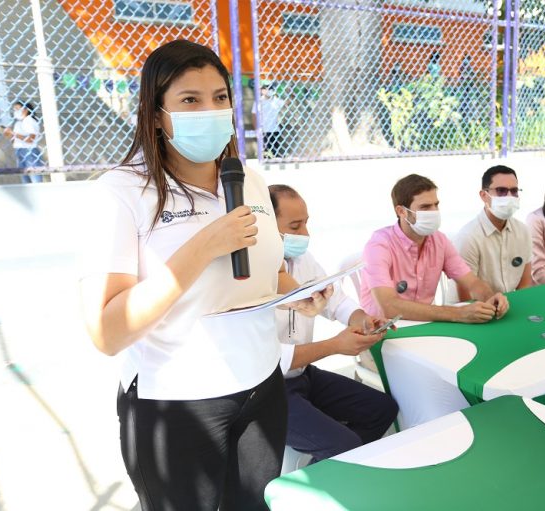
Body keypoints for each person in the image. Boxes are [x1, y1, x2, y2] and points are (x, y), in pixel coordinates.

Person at [78, 40, 329, 511]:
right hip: (176, 401)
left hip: (261, 385)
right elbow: (108, 332)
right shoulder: (121, 193)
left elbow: (266, 271)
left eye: (219, 97)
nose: (210, 110)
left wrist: (299, 293)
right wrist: (201, 248)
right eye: (190, 100)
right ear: (156, 114)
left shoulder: (246, 178)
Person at [269, 184, 398, 462]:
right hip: (266, 391)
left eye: (306, 223)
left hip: (302, 376)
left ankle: (332, 470)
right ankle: (322, 483)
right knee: (344, 444)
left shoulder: (302, 259)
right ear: (267, 225)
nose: (305, 234)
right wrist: (337, 345)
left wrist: (364, 320)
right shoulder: (250, 276)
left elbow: (335, 301)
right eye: (295, 225)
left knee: (383, 409)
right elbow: (272, 359)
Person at [361, 173, 509, 323]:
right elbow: (389, 306)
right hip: (381, 330)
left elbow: (472, 282)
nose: (434, 211)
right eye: (425, 207)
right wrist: (459, 313)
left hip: (424, 326)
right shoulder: (379, 245)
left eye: (436, 204)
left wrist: (490, 297)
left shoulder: (439, 240)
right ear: (401, 211)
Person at [454, 165, 532, 299]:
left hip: (510, 305)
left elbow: (525, 284)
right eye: (501, 191)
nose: (509, 196)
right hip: (473, 309)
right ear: (484, 195)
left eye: (514, 191)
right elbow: (465, 295)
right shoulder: (468, 237)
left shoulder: (523, 231)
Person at [2, 100, 43, 183]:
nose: (15, 112)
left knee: (35, 180)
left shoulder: (29, 121)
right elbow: (14, 140)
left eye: (17, 109)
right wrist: (8, 134)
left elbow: (30, 139)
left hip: (29, 151)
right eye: (14, 110)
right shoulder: (18, 123)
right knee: (25, 181)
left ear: (25, 110)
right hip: (19, 151)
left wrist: (12, 133)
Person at [252, 81, 285, 158]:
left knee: (276, 153)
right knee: (265, 154)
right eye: (265, 88)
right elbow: (254, 115)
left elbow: (287, 103)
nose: (268, 90)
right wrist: (256, 129)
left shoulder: (276, 100)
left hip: (275, 130)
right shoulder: (258, 102)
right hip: (263, 131)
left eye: (270, 88)